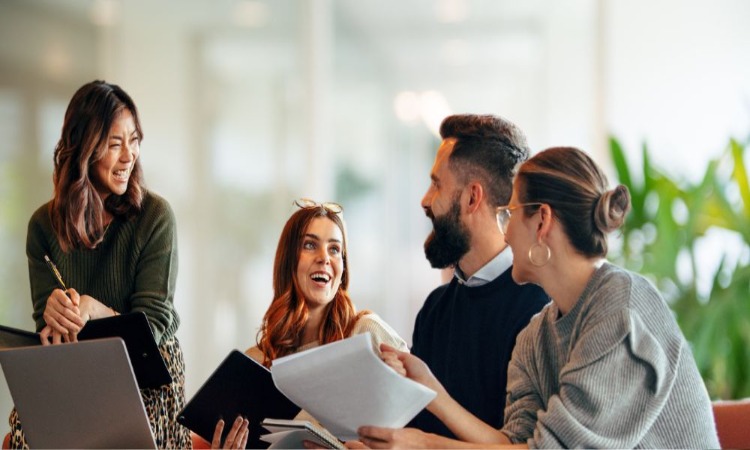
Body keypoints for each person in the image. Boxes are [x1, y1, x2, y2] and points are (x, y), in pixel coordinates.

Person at [357, 146, 720, 448]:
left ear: (542, 221)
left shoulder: (622, 309)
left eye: (510, 214)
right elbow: (512, 444)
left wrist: (425, 444)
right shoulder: (535, 336)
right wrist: (431, 391)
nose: (506, 232)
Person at [8, 80, 190, 449]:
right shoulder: (42, 226)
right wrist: (53, 314)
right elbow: (47, 330)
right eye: (115, 143)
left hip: (146, 377)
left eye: (135, 140)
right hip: (78, 368)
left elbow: (152, 326)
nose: (130, 156)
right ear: (84, 149)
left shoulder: (155, 217)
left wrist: (95, 310)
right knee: (26, 428)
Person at [211, 199, 409, 448]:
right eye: (310, 245)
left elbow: (418, 431)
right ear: (289, 262)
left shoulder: (366, 335)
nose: (324, 258)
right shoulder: (257, 363)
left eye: (335, 249)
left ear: (343, 270)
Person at [408, 114, 549, 438]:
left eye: (436, 184)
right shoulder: (435, 308)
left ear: (473, 197)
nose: (425, 200)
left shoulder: (540, 313)